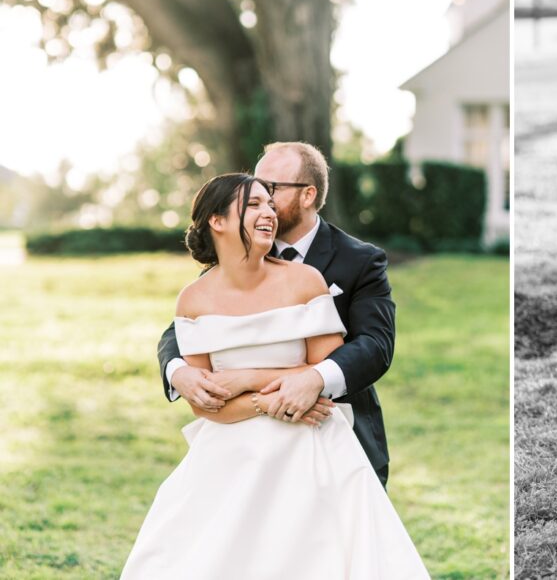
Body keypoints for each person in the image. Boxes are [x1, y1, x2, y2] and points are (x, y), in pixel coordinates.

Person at [123, 174, 428, 578]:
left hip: (309, 440)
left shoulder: (305, 281)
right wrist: (260, 400)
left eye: (270, 202)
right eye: (254, 204)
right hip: (228, 448)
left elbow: (322, 373)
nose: (268, 211)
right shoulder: (194, 297)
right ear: (217, 221)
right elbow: (206, 403)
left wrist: (248, 375)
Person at [158, 142, 394, 487]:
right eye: (255, 193)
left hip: (328, 426)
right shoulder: (230, 261)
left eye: (271, 191)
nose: (263, 201)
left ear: (308, 195)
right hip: (238, 443)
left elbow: (376, 344)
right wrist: (177, 371)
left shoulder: (359, 261)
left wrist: (311, 380)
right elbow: (184, 330)